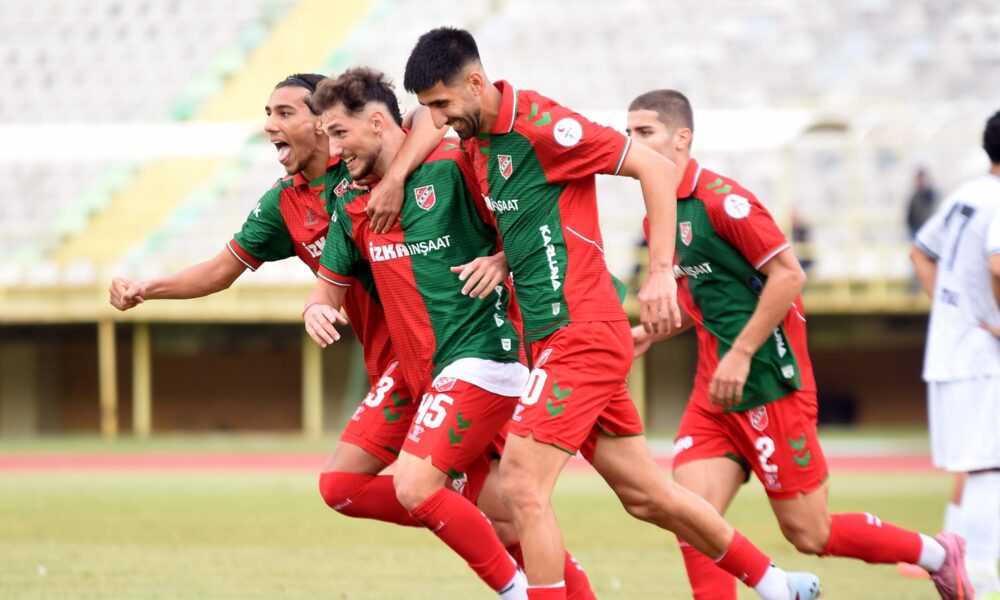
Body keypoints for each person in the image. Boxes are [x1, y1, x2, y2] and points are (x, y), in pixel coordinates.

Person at [403, 27, 820, 600]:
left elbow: (654, 167)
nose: (438, 119)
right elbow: (533, 213)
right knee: (647, 495)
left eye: (442, 104)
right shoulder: (478, 143)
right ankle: (776, 584)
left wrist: (661, 271)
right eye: (428, 108)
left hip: (580, 334)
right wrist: (503, 258)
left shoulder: (543, 126)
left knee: (522, 484)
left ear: (476, 83)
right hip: (553, 338)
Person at [627, 88, 973, 600]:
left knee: (811, 533)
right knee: (693, 518)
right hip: (713, 393)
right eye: (628, 133)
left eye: (644, 132)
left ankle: (938, 556)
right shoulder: (657, 214)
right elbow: (700, 296)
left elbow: (789, 276)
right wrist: (647, 332)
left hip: (770, 384)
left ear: (682, 138)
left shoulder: (725, 202)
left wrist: (742, 353)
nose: (632, 143)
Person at [108, 72, 467, 537]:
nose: (269, 124)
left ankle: (505, 548)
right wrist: (146, 288)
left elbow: (427, 118)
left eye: (284, 112)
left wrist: (396, 176)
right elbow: (219, 271)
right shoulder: (285, 203)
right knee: (357, 487)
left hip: (445, 347)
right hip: (391, 362)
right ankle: (480, 526)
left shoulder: (363, 163)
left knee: (495, 489)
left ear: (323, 123)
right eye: (267, 114)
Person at [303, 66, 601, 599]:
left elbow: (528, 216)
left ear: (378, 123)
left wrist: (503, 259)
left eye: (340, 133)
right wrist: (315, 310)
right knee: (342, 487)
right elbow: (326, 289)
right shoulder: (351, 202)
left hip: (482, 356)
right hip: (419, 373)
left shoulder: (452, 167)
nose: (334, 149)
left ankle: (516, 591)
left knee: (417, 485)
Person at [911, 109, 1000, 598]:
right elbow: (998, 264)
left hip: (952, 349)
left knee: (980, 463)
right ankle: (981, 575)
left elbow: (920, 252)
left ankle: (960, 564)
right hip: (981, 356)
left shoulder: (966, 194)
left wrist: (953, 311)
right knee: (989, 466)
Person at [907, 167, 940, 239]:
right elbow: (910, 213)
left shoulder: (930, 193)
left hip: (928, 228)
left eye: (922, 178)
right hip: (916, 229)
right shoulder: (915, 195)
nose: (920, 181)